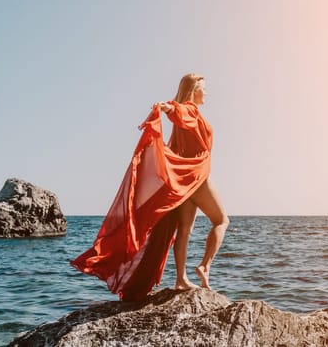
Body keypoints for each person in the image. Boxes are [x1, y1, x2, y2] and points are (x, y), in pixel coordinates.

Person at [70, 73, 229, 300]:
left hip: (184, 181)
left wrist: (168, 108)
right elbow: (180, 112)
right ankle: (205, 266)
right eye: (204, 88)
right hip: (195, 177)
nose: (207, 92)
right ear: (194, 90)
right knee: (222, 221)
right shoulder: (191, 109)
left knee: (184, 230)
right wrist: (166, 108)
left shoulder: (188, 112)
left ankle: (181, 279)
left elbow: (178, 119)